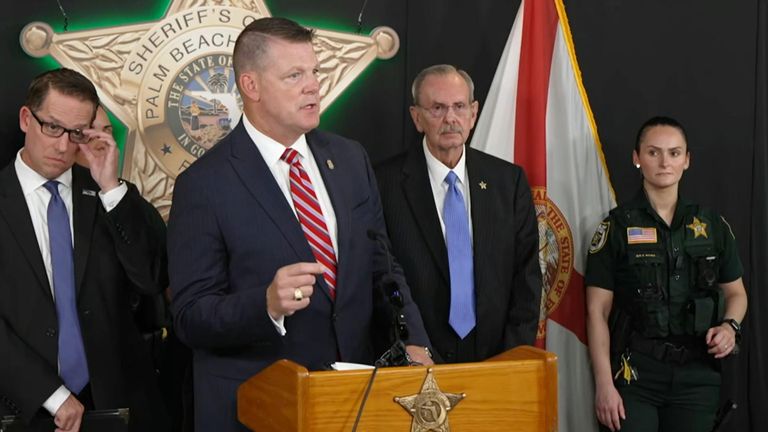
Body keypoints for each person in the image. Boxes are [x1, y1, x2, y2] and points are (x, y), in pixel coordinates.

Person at [168, 17, 433, 431]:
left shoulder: (350, 160)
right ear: (251, 86)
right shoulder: (203, 185)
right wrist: (266, 304)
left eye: (314, 72)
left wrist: (413, 338)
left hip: (354, 403)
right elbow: (190, 315)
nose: (313, 86)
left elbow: (383, 266)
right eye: (294, 75)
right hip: (258, 409)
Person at [0, 68, 168, 431]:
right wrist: (51, 394)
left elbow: (150, 279)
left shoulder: (111, 198)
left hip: (117, 405)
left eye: (76, 133)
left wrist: (110, 186)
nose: (63, 146)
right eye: (53, 128)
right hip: (23, 407)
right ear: (26, 119)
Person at [585, 116, 748, 432]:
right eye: (653, 152)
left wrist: (731, 327)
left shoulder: (712, 225)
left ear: (687, 160)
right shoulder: (616, 227)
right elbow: (596, 311)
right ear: (637, 158)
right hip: (636, 374)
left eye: (674, 153)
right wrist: (604, 384)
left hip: (697, 375)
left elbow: (737, 293)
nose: (664, 162)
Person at [375, 64, 541, 363]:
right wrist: (411, 345)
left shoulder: (508, 181)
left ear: (473, 113)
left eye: (459, 107)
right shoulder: (383, 184)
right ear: (417, 117)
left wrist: (512, 357)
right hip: (417, 360)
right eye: (437, 108)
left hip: (497, 361)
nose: (450, 118)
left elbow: (526, 277)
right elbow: (381, 275)